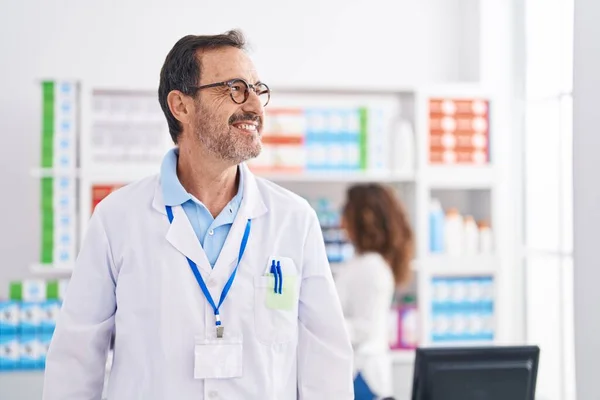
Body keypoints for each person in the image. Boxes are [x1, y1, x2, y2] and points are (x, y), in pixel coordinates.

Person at [43, 30, 354, 400]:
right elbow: (76, 363)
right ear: (181, 106)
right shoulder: (117, 218)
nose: (254, 105)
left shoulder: (293, 219)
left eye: (258, 89)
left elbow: (327, 364)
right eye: (235, 88)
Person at [335, 183, 415, 400]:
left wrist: (319, 325)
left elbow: (365, 328)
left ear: (362, 218)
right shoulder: (362, 262)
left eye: (346, 210)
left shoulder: (371, 266)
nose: (341, 219)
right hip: (359, 372)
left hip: (364, 376)